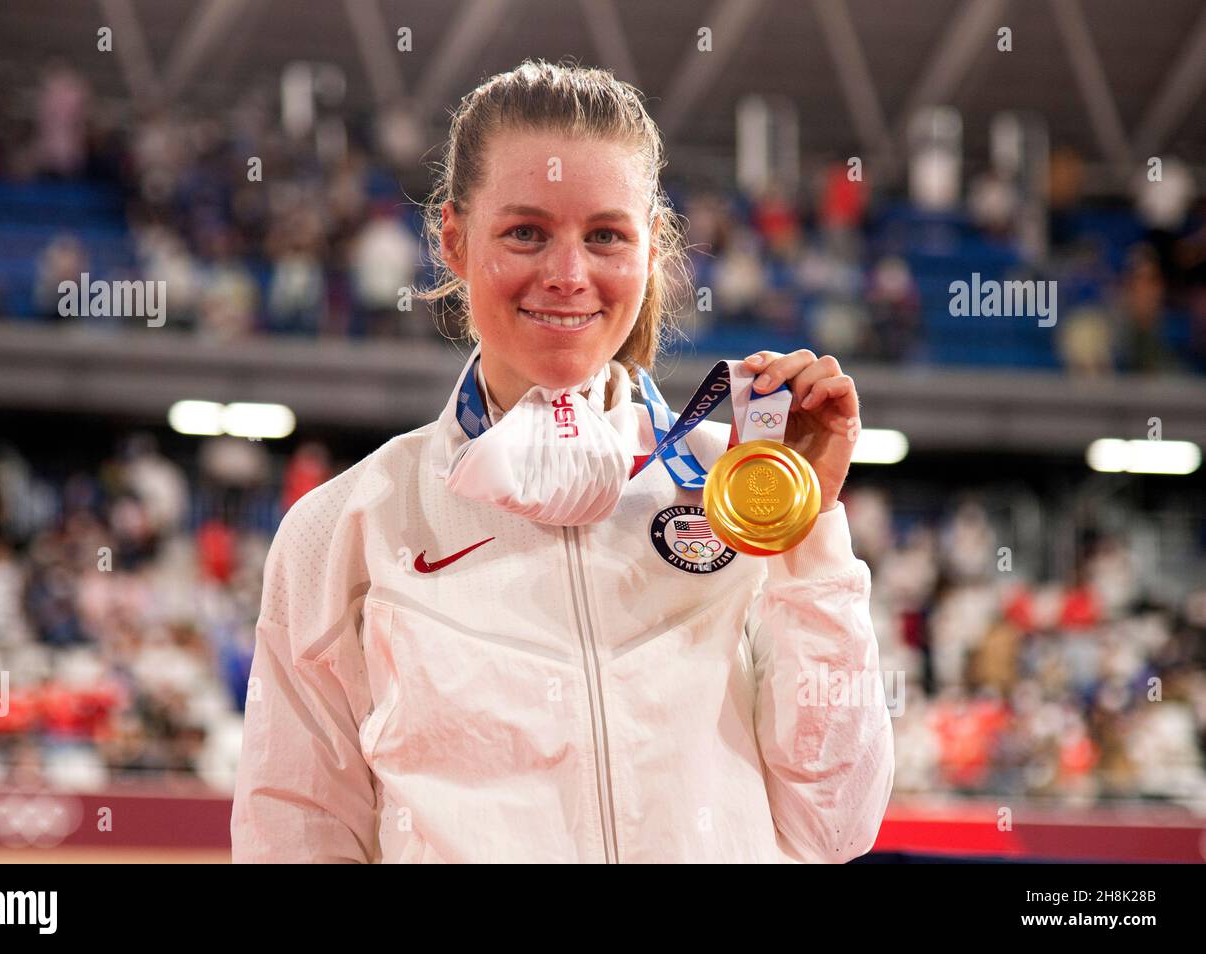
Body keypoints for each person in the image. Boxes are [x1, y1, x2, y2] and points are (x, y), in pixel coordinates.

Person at [231, 60, 893, 863]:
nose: (569, 276)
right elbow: (294, 839)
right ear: (453, 241)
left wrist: (807, 529)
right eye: (526, 233)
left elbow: (834, 823)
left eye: (606, 236)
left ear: (651, 249)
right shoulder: (345, 526)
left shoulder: (737, 490)